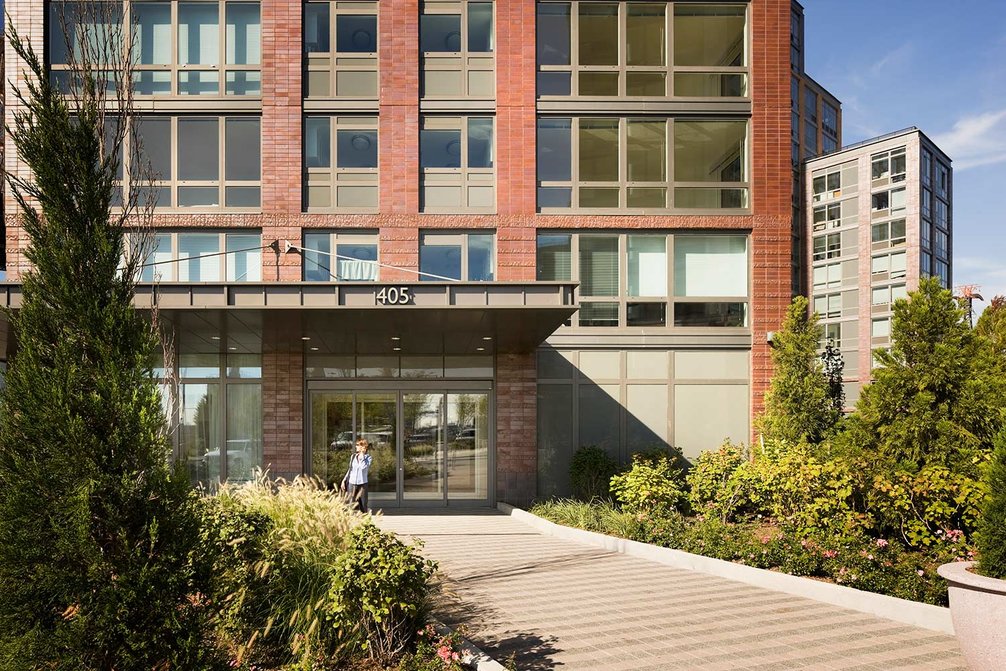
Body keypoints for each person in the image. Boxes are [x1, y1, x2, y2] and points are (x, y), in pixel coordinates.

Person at [341, 438, 372, 513]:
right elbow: (350, 469)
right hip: (352, 483)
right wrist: (344, 480)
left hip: (362, 484)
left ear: (363, 447)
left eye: (358, 445)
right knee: (351, 505)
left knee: (363, 505)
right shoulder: (353, 457)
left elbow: (362, 468)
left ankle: (364, 521)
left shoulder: (368, 458)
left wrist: (362, 456)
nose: (356, 447)